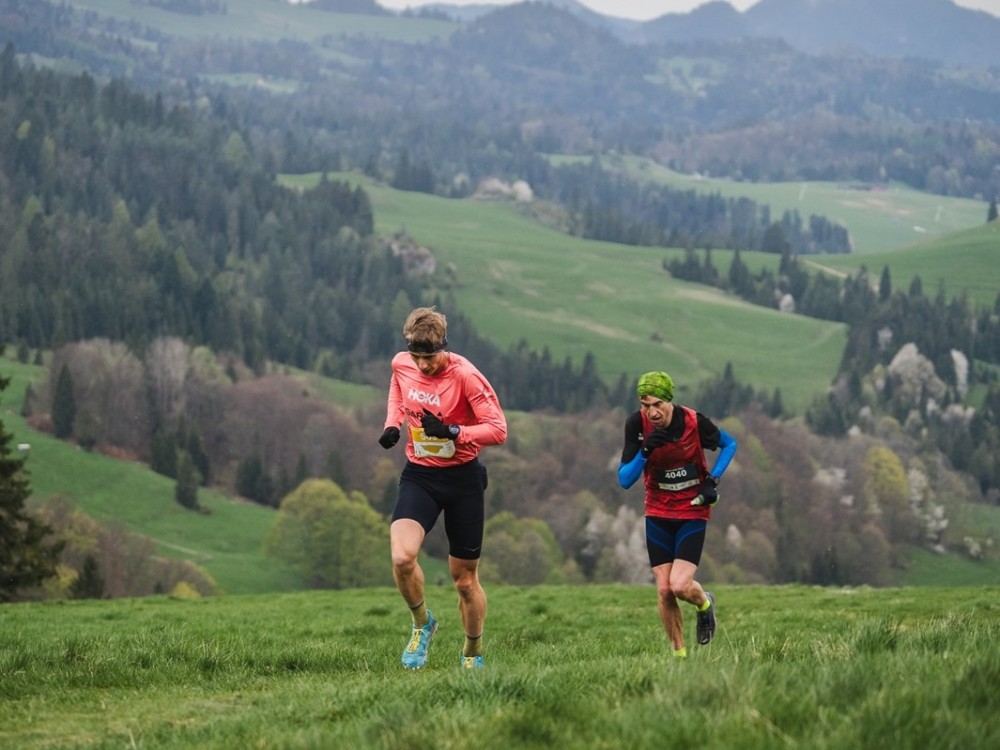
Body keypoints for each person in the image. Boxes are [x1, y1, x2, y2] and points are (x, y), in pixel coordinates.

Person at [378, 306, 508, 670]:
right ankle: (423, 624)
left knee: (464, 580)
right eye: (417, 357)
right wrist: (393, 423)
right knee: (402, 558)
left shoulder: (466, 376)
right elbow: (397, 389)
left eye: (430, 357)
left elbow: (498, 430)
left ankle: (472, 652)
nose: (422, 366)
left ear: (443, 347)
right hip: (420, 475)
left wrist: (454, 431)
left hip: (463, 479)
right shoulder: (402, 364)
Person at [617, 371, 737, 658]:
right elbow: (624, 479)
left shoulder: (695, 422)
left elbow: (730, 445)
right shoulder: (637, 424)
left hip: (692, 511)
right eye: (646, 405)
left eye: (657, 404)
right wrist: (645, 450)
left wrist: (713, 480)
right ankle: (680, 658)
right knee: (664, 591)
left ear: (669, 400)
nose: (652, 412)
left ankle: (705, 603)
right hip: (657, 512)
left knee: (680, 586)